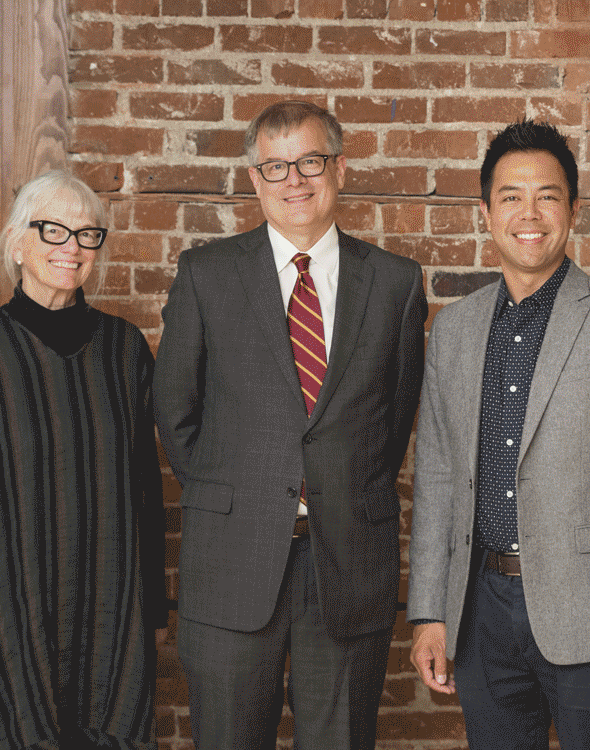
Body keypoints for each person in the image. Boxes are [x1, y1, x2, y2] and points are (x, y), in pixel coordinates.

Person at [153, 100, 425, 750]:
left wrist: (330, 486)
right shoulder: (206, 275)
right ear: (254, 178)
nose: (293, 181)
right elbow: (175, 411)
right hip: (232, 557)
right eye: (275, 166)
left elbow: (393, 421)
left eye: (308, 161)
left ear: (337, 167)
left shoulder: (394, 284)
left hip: (345, 561)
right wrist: (242, 494)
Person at [406, 120, 590, 749]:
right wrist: (429, 611)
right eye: (510, 197)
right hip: (478, 614)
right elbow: (440, 480)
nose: (529, 213)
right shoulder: (454, 331)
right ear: (486, 211)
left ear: (573, 210)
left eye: (548, 196)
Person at [0, 170, 166, 749]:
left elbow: (145, 491)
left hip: (113, 616)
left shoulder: (125, 351)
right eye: (52, 231)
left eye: (86, 235)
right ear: (16, 243)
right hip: (7, 617)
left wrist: (153, 612)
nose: (71, 248)